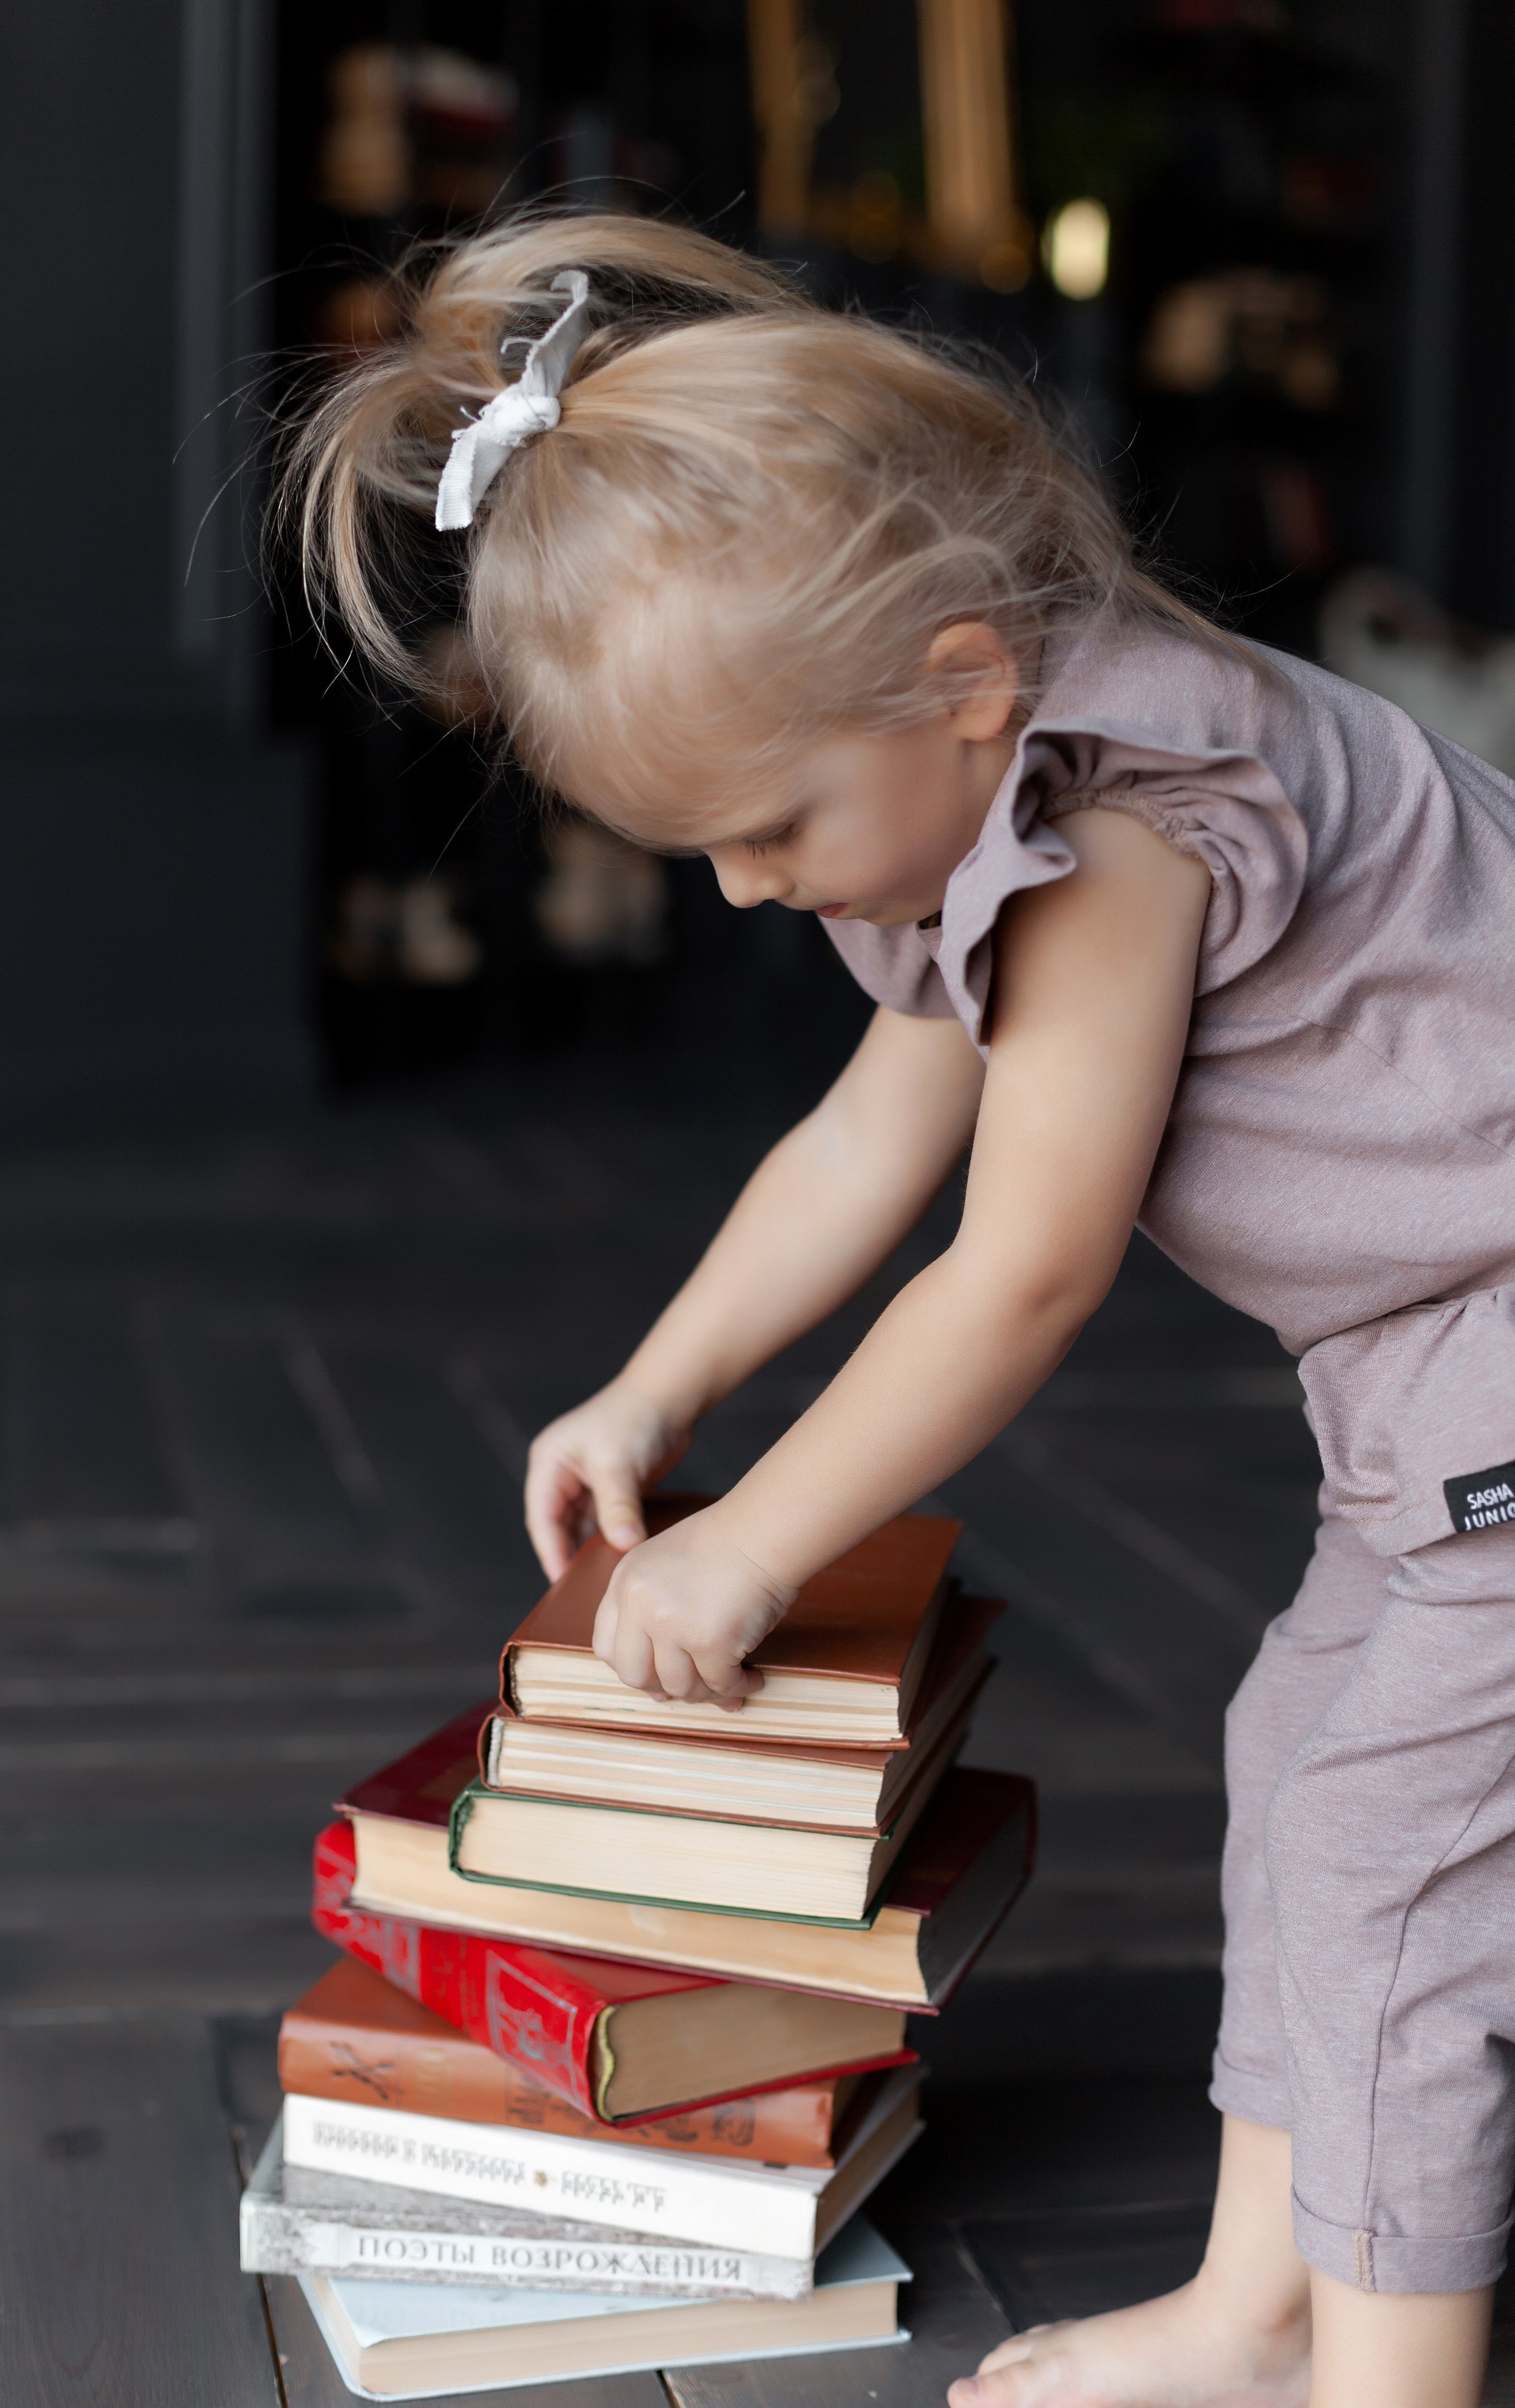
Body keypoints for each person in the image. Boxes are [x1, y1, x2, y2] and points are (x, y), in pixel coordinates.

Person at [286, 212, 1515, 2408]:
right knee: (1297, 1761)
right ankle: (1258, 2313)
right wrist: (655, 1390)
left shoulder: (1124, 824)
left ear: (961, 680)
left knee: (1393, 1874)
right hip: (1427, 1362)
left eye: (766, 829)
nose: (754, 891)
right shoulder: (990, 765)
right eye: (708, 864)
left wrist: (760, 1544)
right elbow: (865, 1149)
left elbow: (1020, 1267)